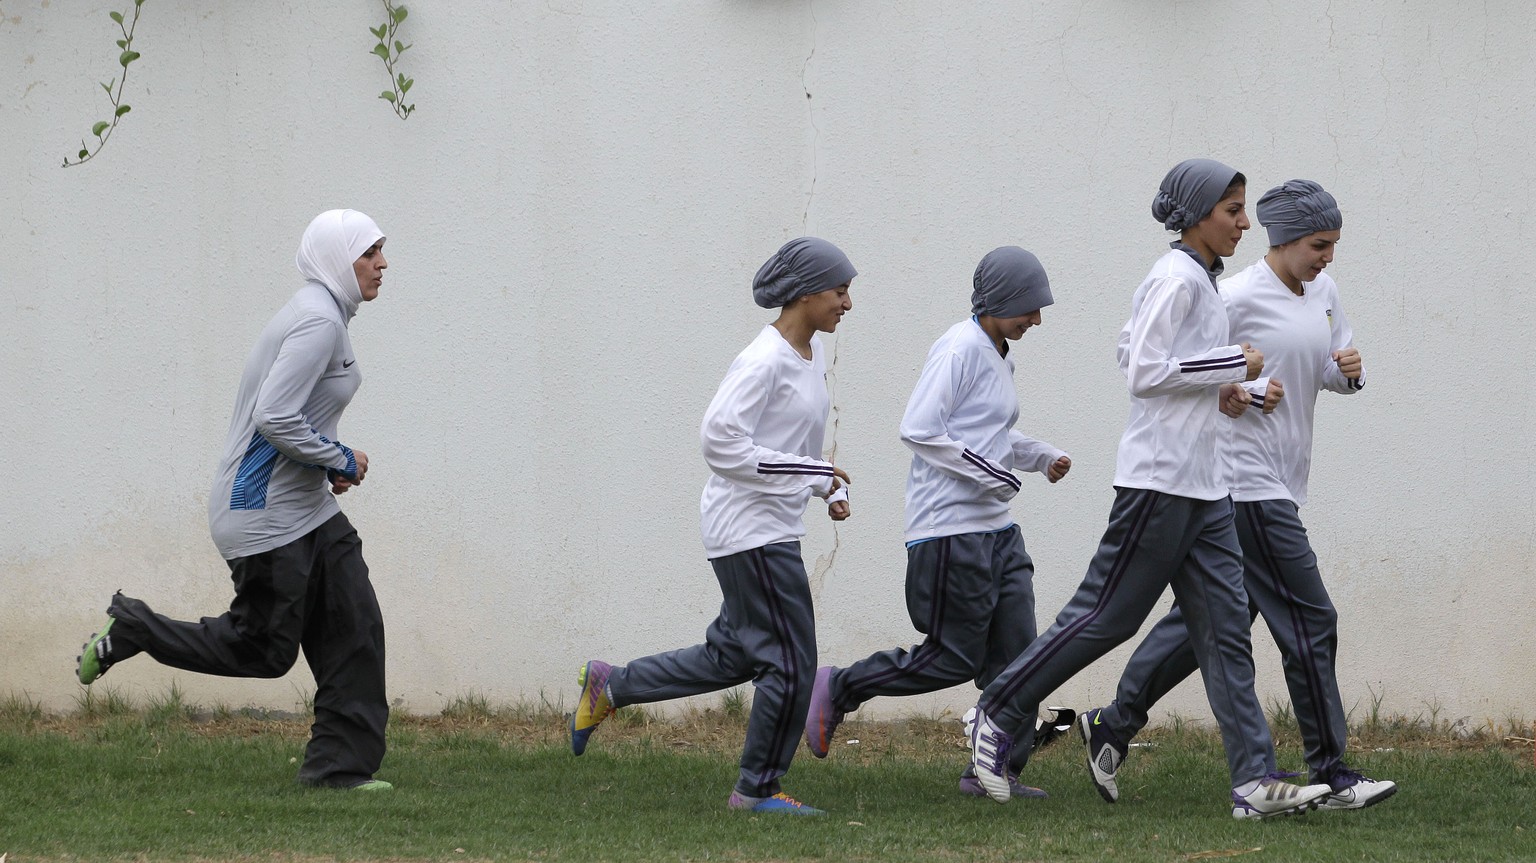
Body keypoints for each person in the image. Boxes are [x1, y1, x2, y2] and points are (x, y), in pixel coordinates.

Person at [962, 159, 1334, 819]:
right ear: (1196, 215)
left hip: (1207, 485)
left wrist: (1234, 390)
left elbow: (1132, 346)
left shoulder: (1197, 280)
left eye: (1243, 210)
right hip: (1159, 483)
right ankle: (994, 708)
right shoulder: (1176, 277)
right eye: (1233, 211)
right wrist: (1231, 362)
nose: (1245, 224)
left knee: (1224, 634)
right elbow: (1142, 369)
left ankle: (1252, 781)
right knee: (1105, 617)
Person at [1078, 180, 1395, 811]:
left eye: (1333, 245)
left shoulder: (1324, 292)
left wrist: (1347, 374)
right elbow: (1184, 365)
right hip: (1245, 480)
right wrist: (1247, 393)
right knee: (1310, 617)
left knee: (1210, 625)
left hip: (1283, 476)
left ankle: (1111, 725)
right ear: (1283, 239)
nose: (1327, 257)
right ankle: (1332, 773)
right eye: (1317, 245)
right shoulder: (1234, 293)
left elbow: (1324, 367)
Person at [75, 209, 394, 792]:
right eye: (369, 252)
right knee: (265, 650)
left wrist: (326, 464)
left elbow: (289, 420)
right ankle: (134, 629)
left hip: (306, 509)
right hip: (262, 515)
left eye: (381, 251)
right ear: (335, 258)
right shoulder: (318, 321)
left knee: (356, 627)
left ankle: (338, 772)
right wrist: (340, 459)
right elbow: (273, 417)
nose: (382, 264)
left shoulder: (325, 316)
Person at [568, 237, 857, 816]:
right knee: (790, 662)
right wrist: (814, 472)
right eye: (839, 291)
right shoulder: (763, 358)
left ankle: (610, 686)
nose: (848, 304)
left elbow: (789, 444)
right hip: (749, 532)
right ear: (804, 293)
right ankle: (757, 790)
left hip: (769, 525)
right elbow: (720, 442)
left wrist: (827, 485)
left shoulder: (812, 354)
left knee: (730, 657)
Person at [803, 246, 1071, 800]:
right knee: (952, 658)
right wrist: (994, 477)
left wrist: (1040, 456)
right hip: (949, 534)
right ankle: (841, 686)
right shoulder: (960, 348)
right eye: (1029, 307)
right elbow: (921, 429)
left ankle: (993, 772)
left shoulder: (1000, 352)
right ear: (997, 301)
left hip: (998, 532)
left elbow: (987, 437)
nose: (1037, 320)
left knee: (1019, 657)